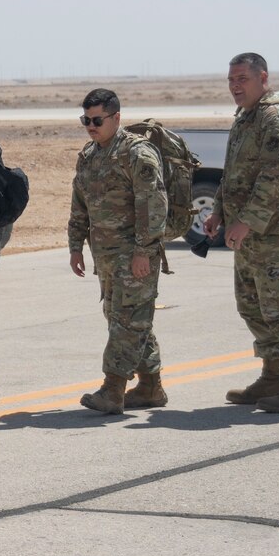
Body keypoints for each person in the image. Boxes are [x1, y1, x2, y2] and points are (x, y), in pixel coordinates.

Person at [208, 51, 279, 413]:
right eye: (231, 80)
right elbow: (236, 174)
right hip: (256, 235)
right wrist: (219, 212)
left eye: (242, 78)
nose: (235, 86)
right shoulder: (247, 118)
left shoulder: (276, 117)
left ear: (264, 78)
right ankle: (273, 376)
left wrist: (247, 220)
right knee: (253, 306)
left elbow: (278, 174)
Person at [68, 89, 169, 414]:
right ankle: (151, 387)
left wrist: (144, 251)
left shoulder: (137, 154)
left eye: (97, 120)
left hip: (135, 254)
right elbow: (80, 205)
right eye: (86, 120)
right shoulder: (90, 155)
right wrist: (75, 247)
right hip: (106, 256)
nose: (91, 126)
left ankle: (113, 390)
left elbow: (154, 205)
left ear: (116, 118)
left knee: (127, 322)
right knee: (125, 318)